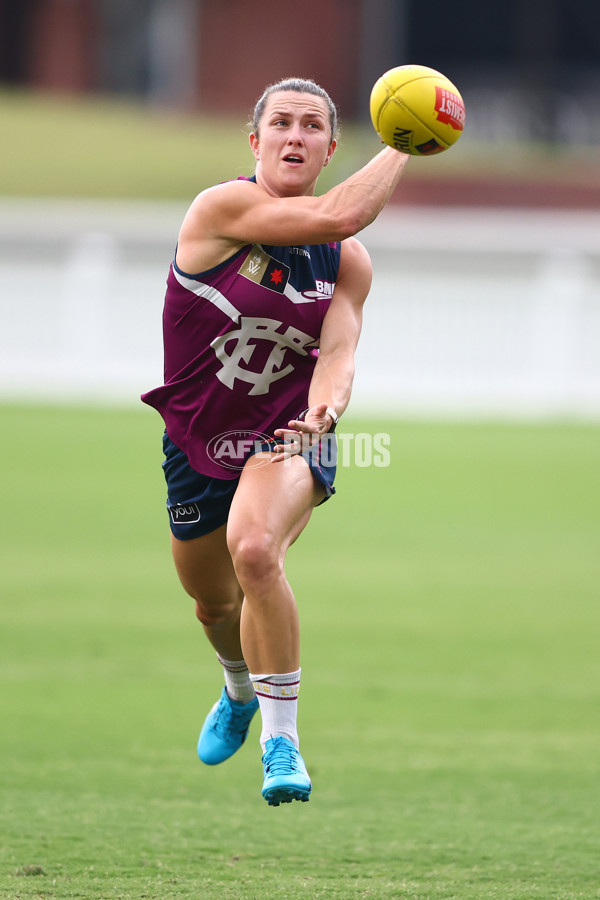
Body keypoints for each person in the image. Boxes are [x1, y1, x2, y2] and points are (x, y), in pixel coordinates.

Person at [141, 76, 409, 806]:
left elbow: (338, 351)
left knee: (257, 550)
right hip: (199, 437)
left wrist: (326, 412)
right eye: (281, 123)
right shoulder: (221, 210)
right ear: (255, 142)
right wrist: (407, 140)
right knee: (213, 606)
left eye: (312, 126)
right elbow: (337, 213)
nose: (296, 135)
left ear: (329, 148)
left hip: (289, 435)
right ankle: (238, 688)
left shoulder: (347, 262)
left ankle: (281, 742)